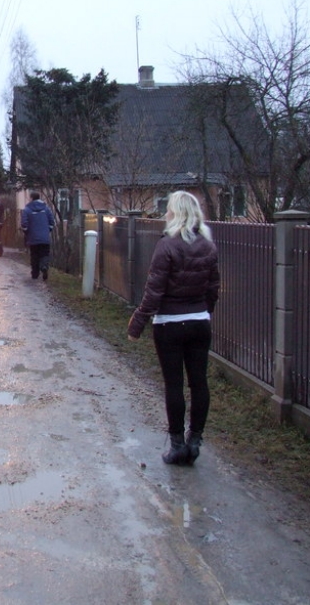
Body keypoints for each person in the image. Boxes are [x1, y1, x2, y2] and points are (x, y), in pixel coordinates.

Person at [127, 191, 220, 466]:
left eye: (168, 209)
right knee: (199, 382)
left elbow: (154, 292)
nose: (166, 213)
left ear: (175, 213)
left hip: (169, 324)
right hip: (199, 322)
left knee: (174, 385)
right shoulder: (208, 246)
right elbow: (213, 288)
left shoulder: (166, 246)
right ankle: (195, 441)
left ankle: (177, 444)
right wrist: (204, 312)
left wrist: (137, 323)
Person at [20, 191, 55, 280]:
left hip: (33, 238)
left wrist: (26, 232)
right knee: (44, 254)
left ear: (31, 198)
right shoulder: (46, 208)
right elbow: (51, 221)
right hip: (44, 238)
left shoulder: (27, 209)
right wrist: (48, 230)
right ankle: (44, 267)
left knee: (34, 255)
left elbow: (24, 223)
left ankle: (35, 274)